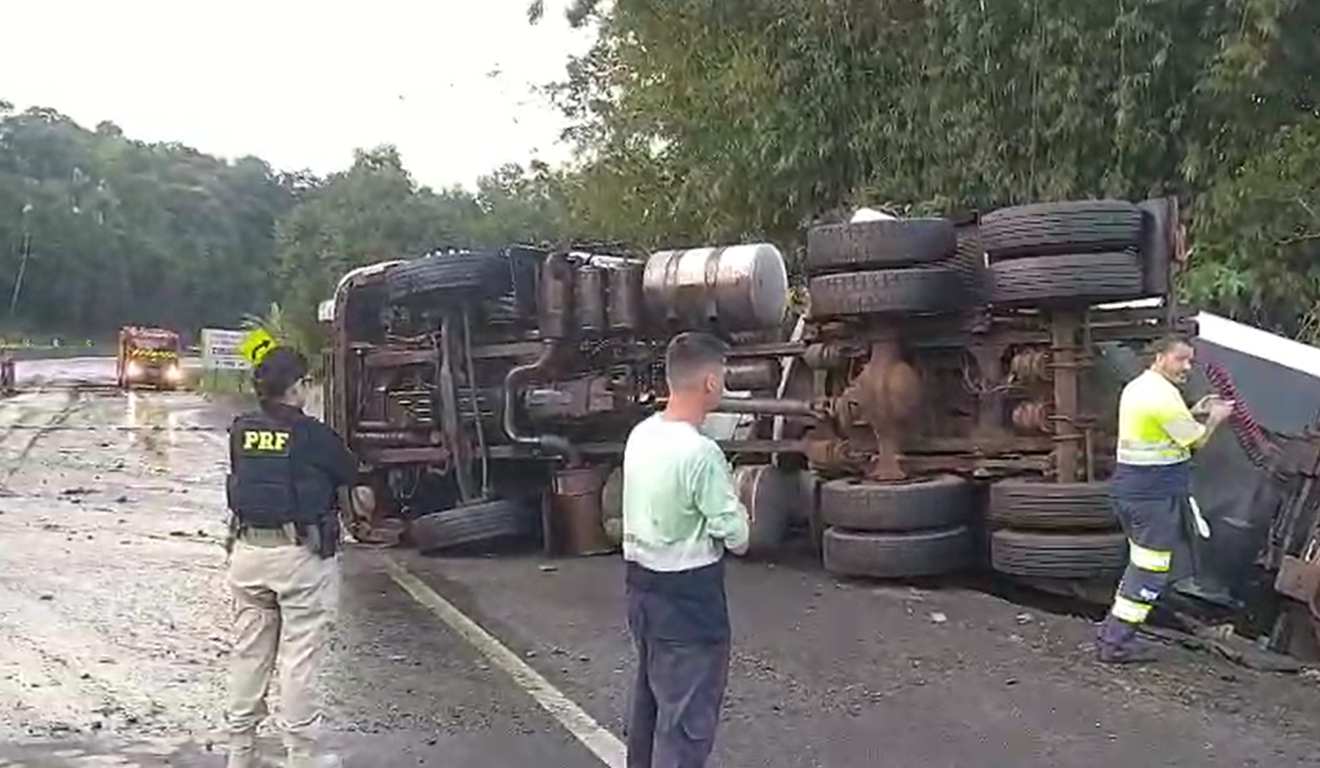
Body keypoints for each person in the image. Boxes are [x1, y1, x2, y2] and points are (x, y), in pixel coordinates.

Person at [622, 332, 751, 768]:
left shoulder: (640, 435)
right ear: (711, 383)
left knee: (650, 711)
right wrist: (735, 500)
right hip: (689, 601)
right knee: (686, 728)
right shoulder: (702, 454)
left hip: (641, 592)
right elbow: (737, 536)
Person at [225, 347, 356, 768]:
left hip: (247, 554)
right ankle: (301, 756)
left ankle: (239, 753)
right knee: (300, 659)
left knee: (249, 654)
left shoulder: (240, 430)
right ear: (297, 387)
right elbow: (351, 472)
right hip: (298, 558)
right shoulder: (313, 435)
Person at [1097, 334, 1233, 663]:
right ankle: (1115, 643)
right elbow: (1193, 441)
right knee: (1150, 569)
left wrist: (1193, 410)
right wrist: (1214, 418)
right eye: (1180, 359)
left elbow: (1164, 427)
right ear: (1159, 357)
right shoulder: (1161, 396)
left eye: (1190, 360)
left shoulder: (1141, 387)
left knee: (1140, 565)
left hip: (1136, 489)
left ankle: (1110, 635)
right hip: (1151, 495)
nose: (1187, 366)